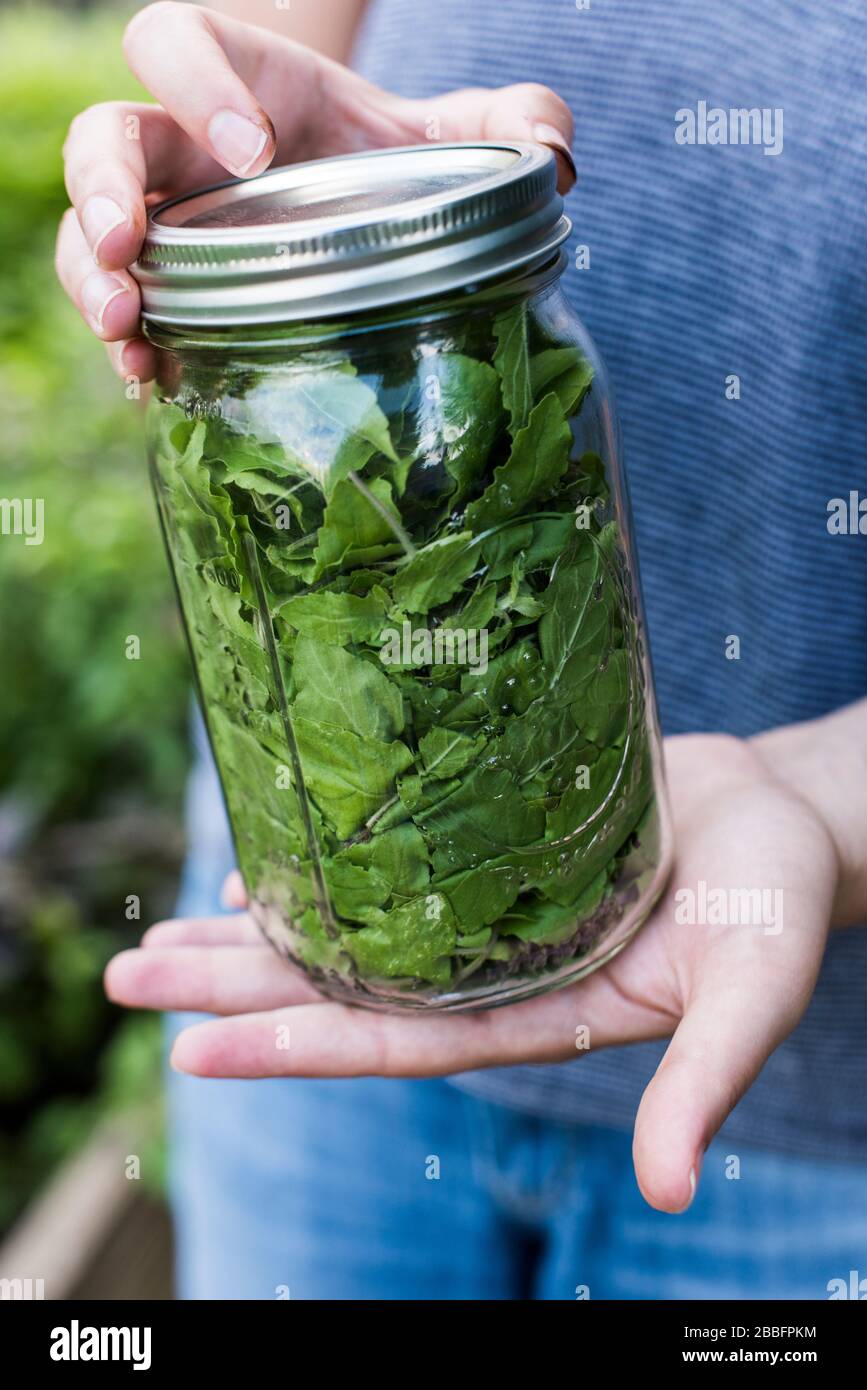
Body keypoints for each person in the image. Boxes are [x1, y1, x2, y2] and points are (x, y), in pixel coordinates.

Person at [56, 1, 867, 1300]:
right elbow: (252, 42)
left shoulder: (543, 360)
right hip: (315, 970)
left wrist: (828, 800)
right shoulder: (244, 416)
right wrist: (256, 161)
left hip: (813, 1100)